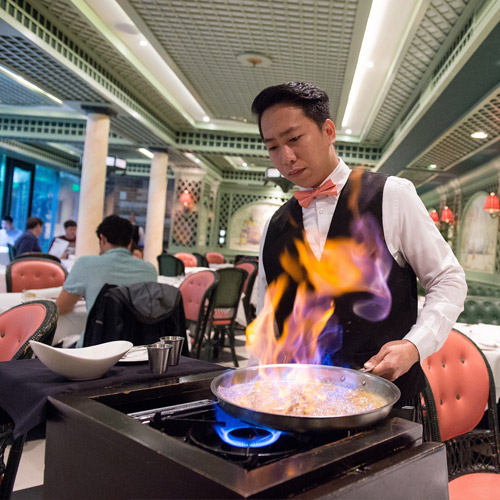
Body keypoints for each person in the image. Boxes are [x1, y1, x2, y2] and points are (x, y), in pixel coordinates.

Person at [251, 82, 467, 407]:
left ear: (328, 131)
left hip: (382, 400)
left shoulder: (391, 195)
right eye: (272, 147)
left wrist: (414, 346)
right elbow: (266, 315)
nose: (286, 157)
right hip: (297, 404)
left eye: (294, 139)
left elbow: (448, 280)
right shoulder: (275, 224)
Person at [55, 215, 157, 346]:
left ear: (102, 238)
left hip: (94, 348)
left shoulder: (85, 264)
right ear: (130, 241)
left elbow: (62, 307)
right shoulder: (149, 270)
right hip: (135, 348)